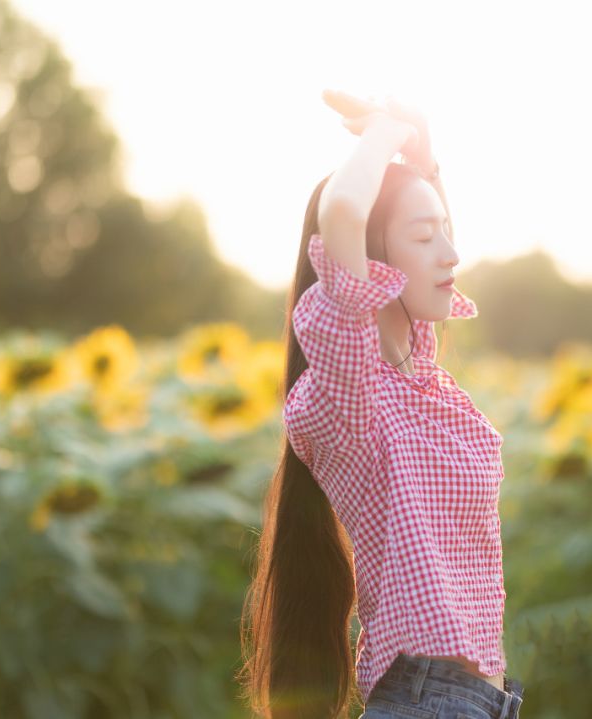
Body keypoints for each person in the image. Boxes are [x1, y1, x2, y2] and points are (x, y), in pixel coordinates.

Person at [239, 90, 524, 719]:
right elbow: (344, 208)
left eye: (445, 231)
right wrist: (384, 133)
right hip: (427, 702)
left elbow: (431, 255)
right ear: (371, 261)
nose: (450, 252)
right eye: (424, 236)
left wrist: (425, 161)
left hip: (479, 703)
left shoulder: (421, 378)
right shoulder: (349, 396)